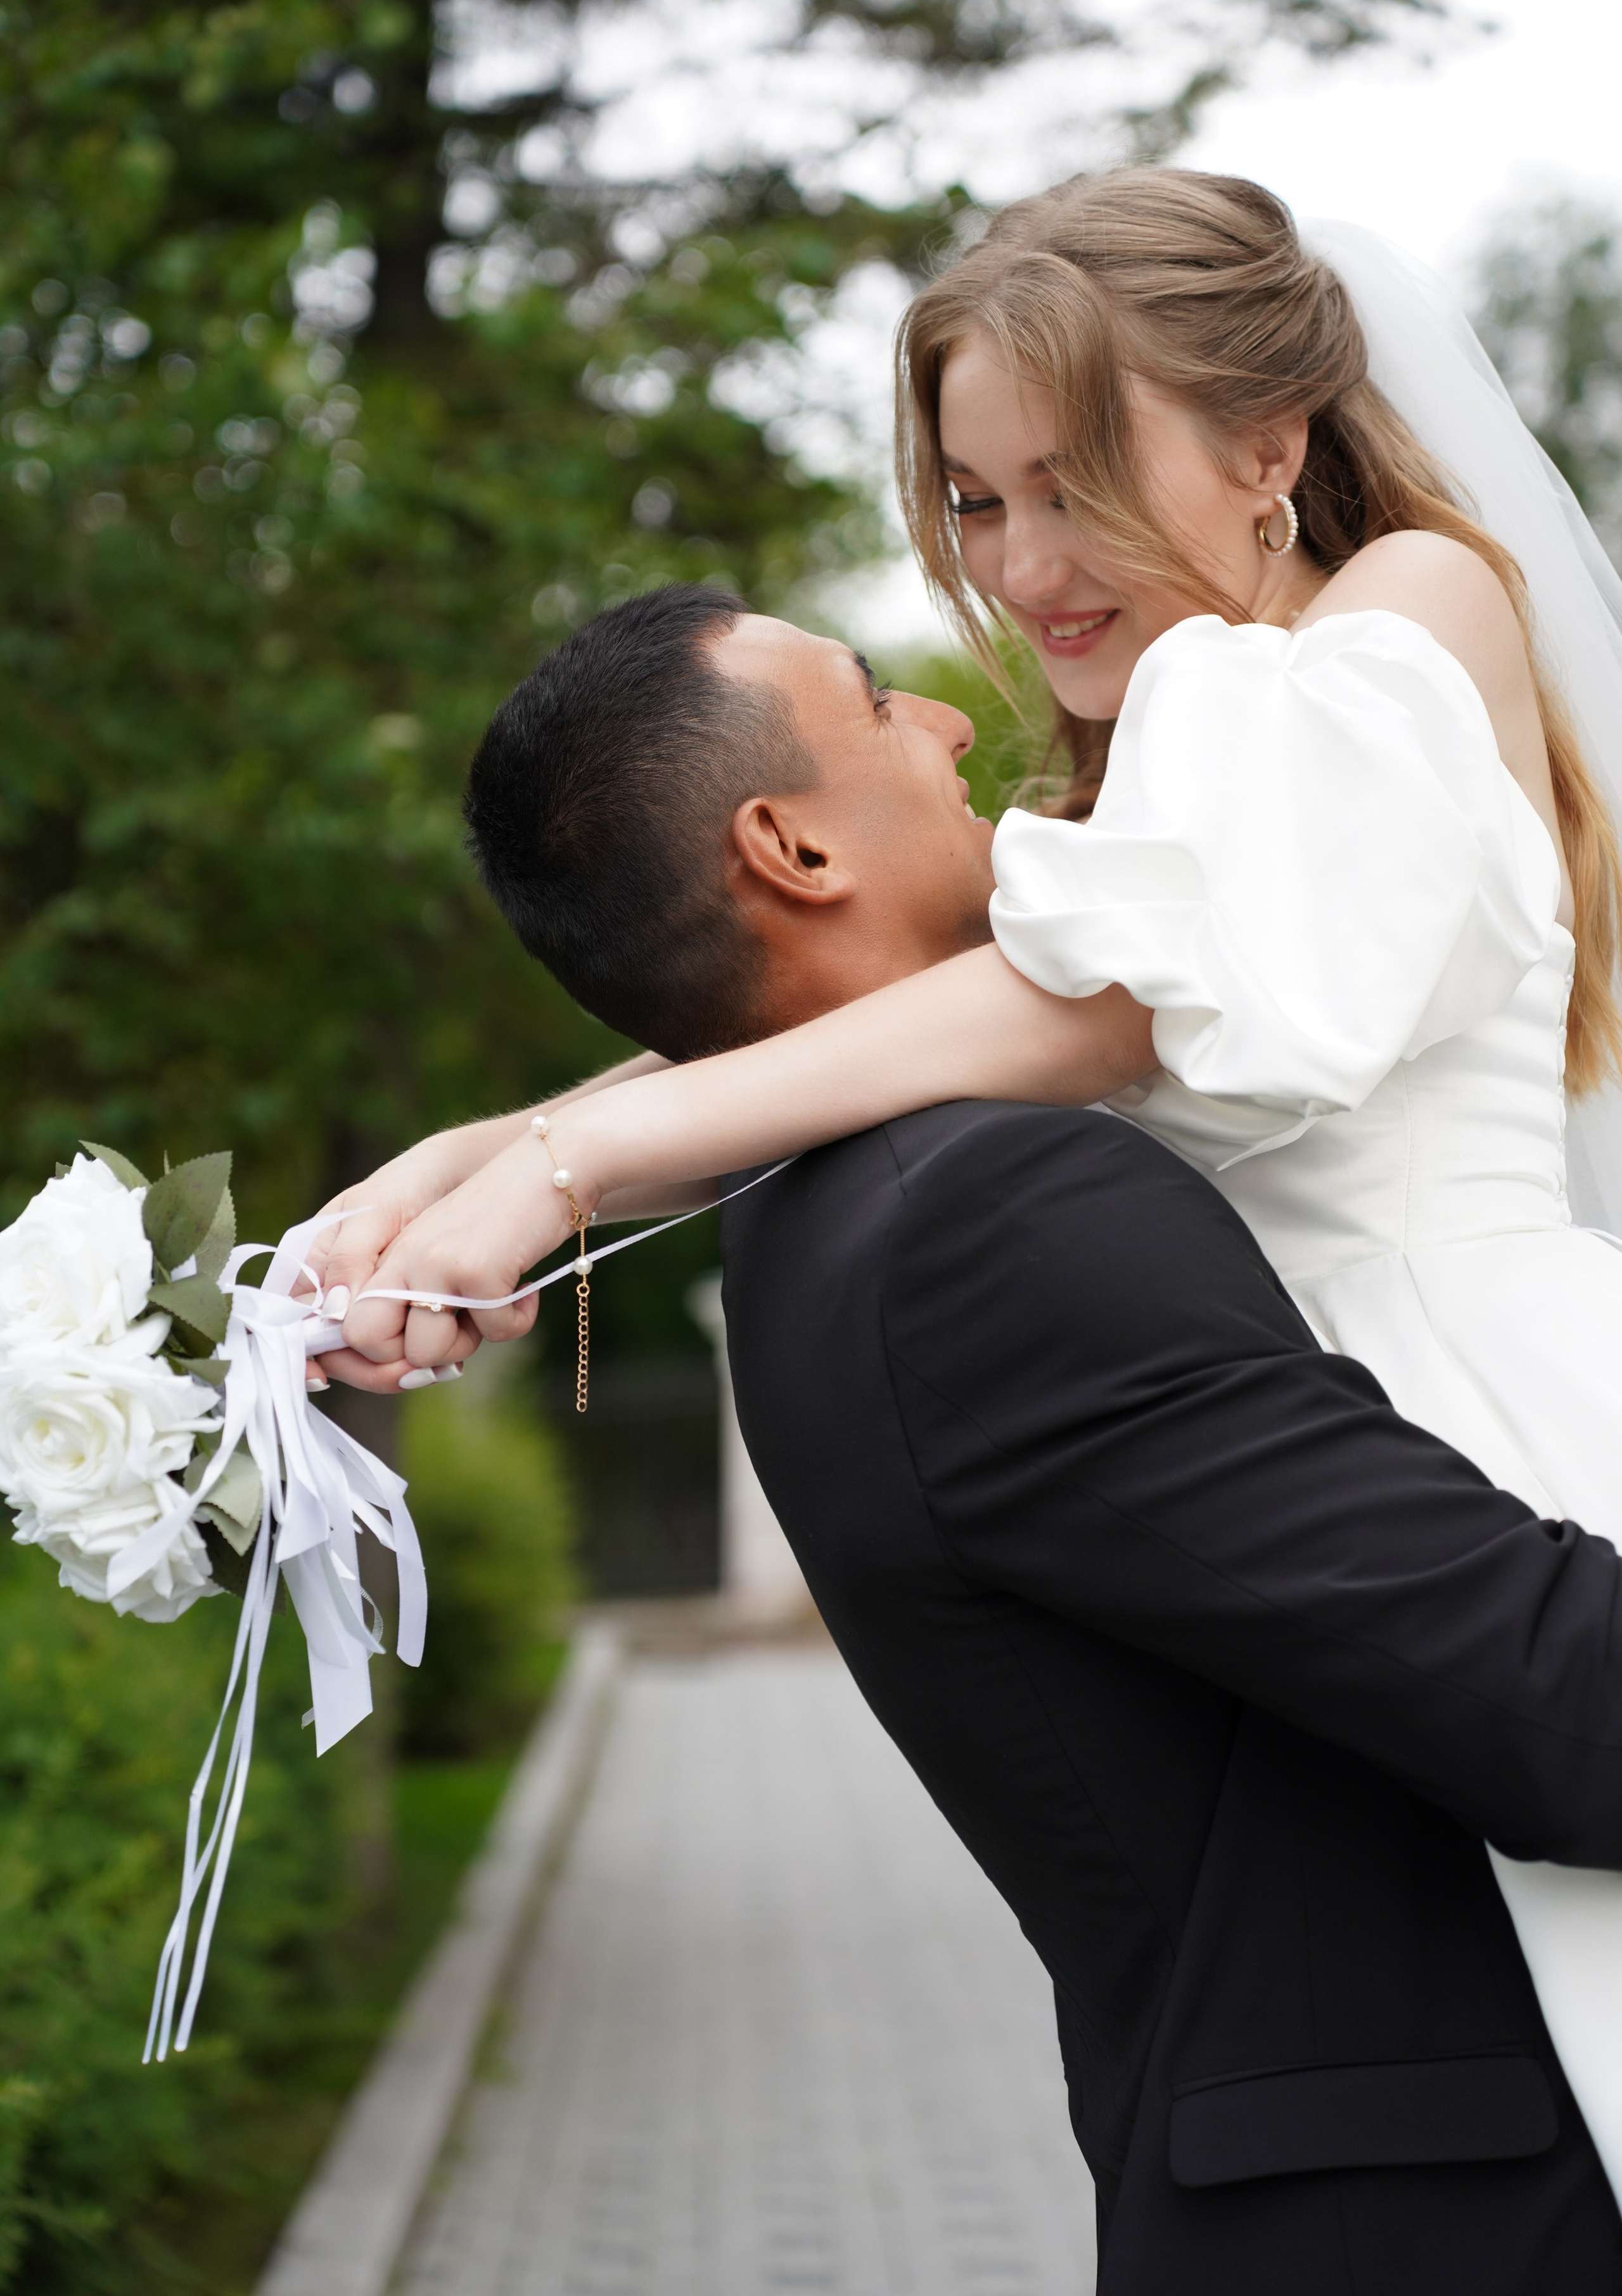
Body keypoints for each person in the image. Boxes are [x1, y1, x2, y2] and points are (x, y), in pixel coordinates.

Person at [315, 172, 1622, 2192]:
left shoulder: (1400, 616)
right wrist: (462, 1159)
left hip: (1487, 1403)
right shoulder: (1158, 747)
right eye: (978, 500)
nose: (1020, 568)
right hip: (1326, 1433)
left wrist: (568, 1169)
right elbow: (931, 999)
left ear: (1271, 446)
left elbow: (1091, 1019)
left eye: (1070, 483)